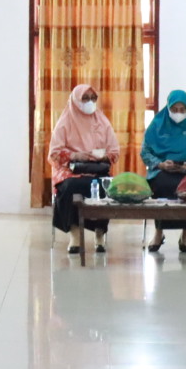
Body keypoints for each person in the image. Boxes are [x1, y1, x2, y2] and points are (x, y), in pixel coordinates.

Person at [47, 84, 120, 254]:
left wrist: (102, 156)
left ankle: (100, 233)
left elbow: (114, 152)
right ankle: (75, 234)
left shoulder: (102, 121)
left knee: (105, 186)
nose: (90, 102)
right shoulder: (65, 122)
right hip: (70, 170)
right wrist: (75, 155)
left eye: (93, 98)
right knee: (71, 187)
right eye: (85, 98)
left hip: (96, 169)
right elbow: (54, 154)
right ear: (75, 100)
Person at [142, 89, 186, 253]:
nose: (178, 113)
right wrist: (160, 164)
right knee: (162, 185)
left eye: (182, 109)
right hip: (161, 171)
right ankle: (159, 232)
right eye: (174, 109)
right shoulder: (156, 126)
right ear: (168, 108)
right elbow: (145, 153)